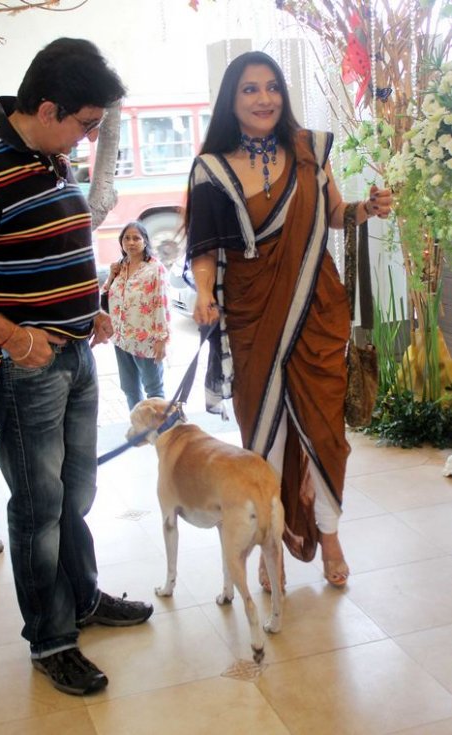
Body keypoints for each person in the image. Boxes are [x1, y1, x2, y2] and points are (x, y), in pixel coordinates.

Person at [0, 38, 154, 697]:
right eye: (86, 123)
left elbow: (48, 246)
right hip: (22, 368)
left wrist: (87, 308)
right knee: (38, 509)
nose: (88, 139)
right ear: (51, 106)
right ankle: (51, 639)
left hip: (72, 355)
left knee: (75, 495)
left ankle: (83, 598)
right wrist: (11, 336)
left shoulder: (51, 156)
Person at [184, 51, 392, 590]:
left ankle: (328, 533)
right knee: (264, 431)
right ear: (232, 99)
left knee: (326, 430)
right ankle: (270, 539)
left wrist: (367, 209)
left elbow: (337, 216)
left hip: (316, 310)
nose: (264, 98)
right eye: (250, 89)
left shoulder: (308, 151)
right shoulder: (211, 168)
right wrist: (205, 293)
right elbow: (204, 247)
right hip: (252, 316)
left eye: (272, 87)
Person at [102, 220, 170, 410]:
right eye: (126, 238)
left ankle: (161, 434)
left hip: (146, 340)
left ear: (145, 241)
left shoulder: (155, 269)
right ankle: (139, 429)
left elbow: (161, 305)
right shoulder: (120, 267)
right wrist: (111, 276)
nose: (131, 242)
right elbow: (106, 297)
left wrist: (162, 339)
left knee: (154, 390)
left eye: (136, 238)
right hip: (122, 339)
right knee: (130, 389)